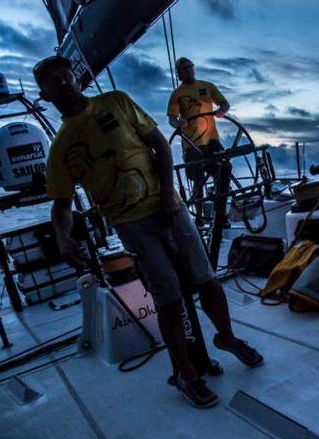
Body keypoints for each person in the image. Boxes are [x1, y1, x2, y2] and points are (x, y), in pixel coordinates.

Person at [35, 55, 263, 409]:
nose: (63, 84)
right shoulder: (61, 147)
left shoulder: (117, 102)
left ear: (77, 77)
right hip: (132, 225)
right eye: (53, 83)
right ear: (45, 95)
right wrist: (64, 240)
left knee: (207, 280)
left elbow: (159, 143)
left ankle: (228, 338)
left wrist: (171, 196)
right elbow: (62, 205)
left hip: (171, 208)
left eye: (66, 76)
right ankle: (186, 374)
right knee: (169, 299)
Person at [167, 57, 230, 223]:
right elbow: (172, 119)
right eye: (184, 69)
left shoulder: (207, 86)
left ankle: (220, 215)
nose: (188, 70)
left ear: (193, 68)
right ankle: (200, 218)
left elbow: (225, 104)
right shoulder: (177, 94)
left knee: (220, 176)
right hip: (191, 144)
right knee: (197, 181)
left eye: (189, 67)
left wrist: (221, 111)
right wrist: (178, 122)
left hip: (212, 140)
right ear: (179, 74)